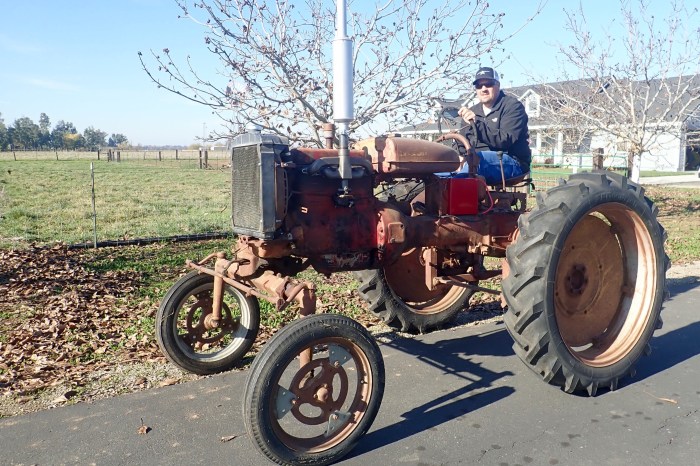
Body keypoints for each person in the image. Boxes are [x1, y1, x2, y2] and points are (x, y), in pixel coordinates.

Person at [457, 67, 531, 184]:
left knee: (477, 161)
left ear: (498, 85)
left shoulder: (512, 107)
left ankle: (456, 191)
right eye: (479, 85)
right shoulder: (472, 111)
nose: (483, 89)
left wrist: (477, 124)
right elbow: (461, 142)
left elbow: (504, 140)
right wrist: (458, 156)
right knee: (440, 167)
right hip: (476, 160)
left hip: (512, 161)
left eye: (488, 84)